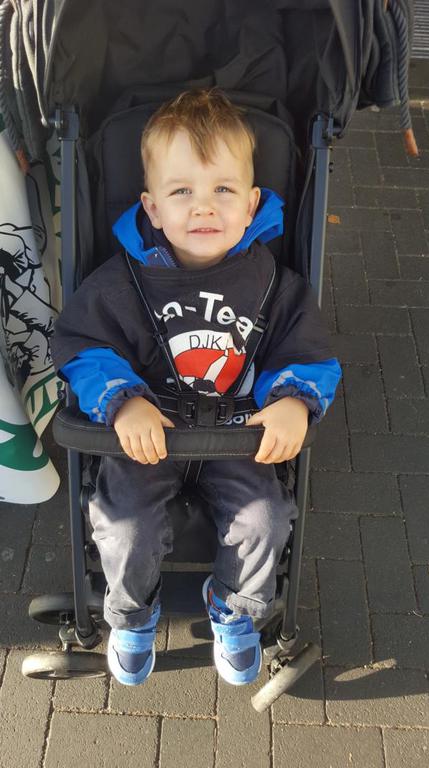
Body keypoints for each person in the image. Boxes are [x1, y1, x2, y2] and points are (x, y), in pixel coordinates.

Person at [51, 89, 341, 687]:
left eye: (223, 190)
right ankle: (131, 613)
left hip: (238, 432)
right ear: (152, 207)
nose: (204, 207)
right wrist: (122, 400)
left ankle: (234, 605)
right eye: (182, 191)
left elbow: (306, 350)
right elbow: (82, 346)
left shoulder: (273, 283)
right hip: (147, 435)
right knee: (124, 523)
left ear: (251, 203)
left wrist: (293, 399)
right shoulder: (119, 283)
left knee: (265, 519)